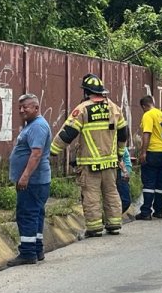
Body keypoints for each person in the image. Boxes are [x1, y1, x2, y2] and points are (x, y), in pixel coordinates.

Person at [50, 74, 129, 237]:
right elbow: (123, 134)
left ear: (86, 92)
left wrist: (52, 151)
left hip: (89, 163)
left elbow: (68, 133)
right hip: (110, 163)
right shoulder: (114, 108)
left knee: (91, 195)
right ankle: (114, 224)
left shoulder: (83, 109)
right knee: (111, 192)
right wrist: (119, 155)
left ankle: (94, 228)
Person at [8, 94, 52, 266]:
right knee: (36, 213)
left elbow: (36, 154)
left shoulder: (37, 127)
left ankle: (27, 252)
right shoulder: (33, 125)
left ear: (36, 107)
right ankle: (37, 248)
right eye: (19, 107)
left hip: (33, 181)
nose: (21, 110)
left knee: (27, 214)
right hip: (36, 180)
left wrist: (25, 176)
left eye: (25, 107)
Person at [136, 95, 162, 220]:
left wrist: (143, 152)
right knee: (160, 184)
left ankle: (146, 212)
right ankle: (159, 211)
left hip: (153, 152)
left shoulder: (148, 115)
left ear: (144, 106)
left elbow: (147, 133)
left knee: (149, 183)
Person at [117, 146, 133, 213]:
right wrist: (125, 171)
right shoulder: (118, 144)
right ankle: (114, 216)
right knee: (126, 201)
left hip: (123, 175)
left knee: (124, 199)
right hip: (121, 175)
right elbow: (119, 160)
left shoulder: (122, 145)